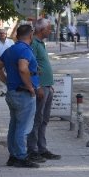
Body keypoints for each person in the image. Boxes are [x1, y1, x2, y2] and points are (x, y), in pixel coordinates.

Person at [0, 24, 40, 168]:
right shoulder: (24, 50)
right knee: (23, 127)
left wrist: (7, 81)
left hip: (12, 92)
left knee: (14, 125)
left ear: (17, 35)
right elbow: (23, 67)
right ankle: (20, 156)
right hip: (23, 93)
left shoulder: (10, 49)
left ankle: (13, 156)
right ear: (30, 35)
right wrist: (30, 87)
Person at [26, 19, 60, 161]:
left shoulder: (40, 43)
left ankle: (42, 148)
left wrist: (48, 84)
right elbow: (29, 65)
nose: (50, 31)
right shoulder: (33, 43)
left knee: (44, 119)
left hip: (46, 86)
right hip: (40, 88)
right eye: (49, 28)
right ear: (41, 30)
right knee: (37, 119)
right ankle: (33, 150)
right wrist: (37, 86)